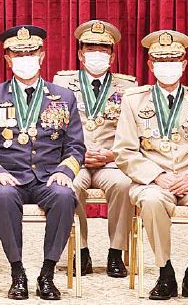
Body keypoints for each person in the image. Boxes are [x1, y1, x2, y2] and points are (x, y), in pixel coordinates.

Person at [0, 25, 85, 301]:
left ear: (41, 56)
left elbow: (76, 146)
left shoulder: (64, 96)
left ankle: (47, 273)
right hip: (9, 175)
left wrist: (65, 171)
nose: (25, 59)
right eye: (18, 54)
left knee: (64, 196)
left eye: (31, 53)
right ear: (8, 59)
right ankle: (17, 272)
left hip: (49, 176)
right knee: (3, 195)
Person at [115, 30, 188, 301]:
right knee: (152, 202)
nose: (168, 66)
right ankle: (165, 273)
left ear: (184, 64)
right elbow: (124, 151)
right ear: (151, 65)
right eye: (161, 61)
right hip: (153, 181)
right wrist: (157, 176)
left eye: (174, 60)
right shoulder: (133, 100)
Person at [51, 20, 138, 277]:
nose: (96, 53)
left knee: (123, 185)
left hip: (111, 160)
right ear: (80, 54)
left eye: (103, 49)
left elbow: (134, 132)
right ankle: (80, 251)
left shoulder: (128, 88)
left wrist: (113, 154)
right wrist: (75, 154)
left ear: (112, 56)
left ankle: (116, 252)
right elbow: (53, 126)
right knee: (68, 186)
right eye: (90, 48)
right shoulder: (62, 83)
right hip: (74, 159)